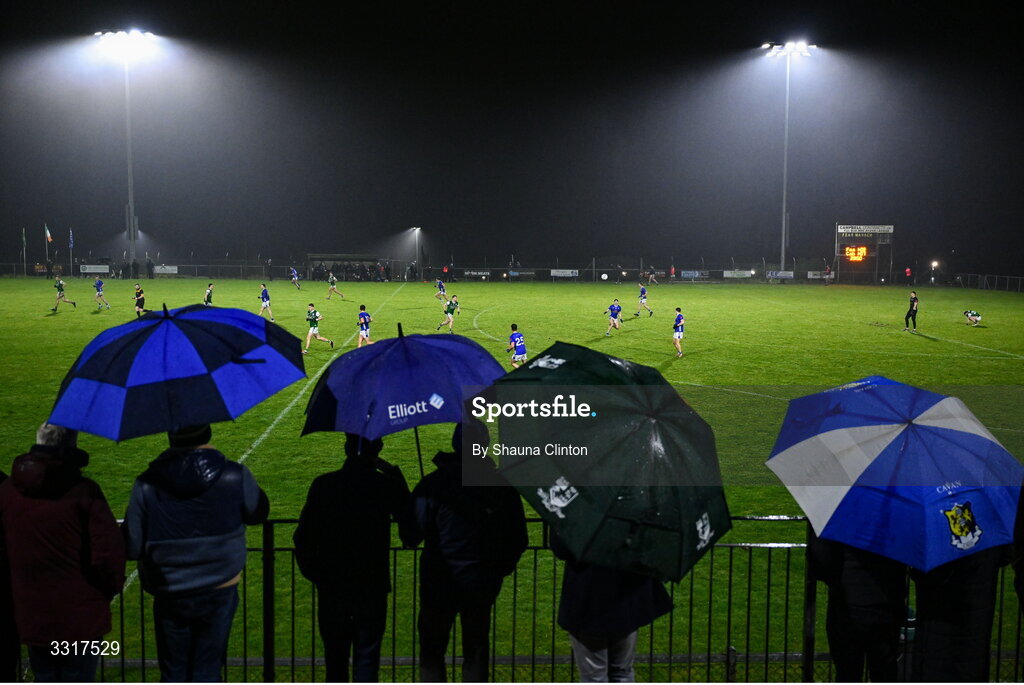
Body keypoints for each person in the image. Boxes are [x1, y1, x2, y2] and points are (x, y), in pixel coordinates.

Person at [122, 424, 270, 682]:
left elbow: (132, 545)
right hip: (220, 586)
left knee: (174, 671)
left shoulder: (146, 483)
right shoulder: (235, 474)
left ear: (170, 436)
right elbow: (258, 512)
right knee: (208, 669)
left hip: (170, 590)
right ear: (207, 433)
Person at [399, 421, 528, 683]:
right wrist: (498, 570)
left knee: (433, 650)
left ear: (455, 445)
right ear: (483, 445)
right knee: (476, 648)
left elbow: (411, 535)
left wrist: (405, 498)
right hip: (481, 580)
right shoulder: (499, 485)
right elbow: (518, 537)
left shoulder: (434, 483)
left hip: (439, 580)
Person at [0, 423, 125, 683]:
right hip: (79, 620)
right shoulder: (84, 492)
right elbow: (107, 555)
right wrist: (108, 589)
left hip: (33, 615)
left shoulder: (8, 491)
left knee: (45, 676)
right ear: (70, 446)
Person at [293, 434, 410, 682]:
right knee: (367, 664)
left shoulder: (324, 484)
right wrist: (397, 478)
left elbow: (303, 538)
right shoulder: (384, 486)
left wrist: (318, 576)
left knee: (335, 663)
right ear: (378, 449)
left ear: (347, 448)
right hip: (371, 586)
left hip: (333, 587)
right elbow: (411, 532)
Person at [550, 532, 672, 682]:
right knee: (622, 672)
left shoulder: (575, 509)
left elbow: (560, 549)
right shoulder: (634, 508)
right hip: (627, 596)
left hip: (588, 599)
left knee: (594, 677)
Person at [806, 533, 908, 683]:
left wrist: (835, 580)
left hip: (847, 604)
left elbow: (821, 557)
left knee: (847, 672)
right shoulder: (899, 511)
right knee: (885, 672)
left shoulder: (840, 511)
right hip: (887, 603)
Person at [910, 545, 1011, 682]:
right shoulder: (988, 531)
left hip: (936, 621)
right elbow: (1006, 555)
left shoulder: (933, 537)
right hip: (976, 619)